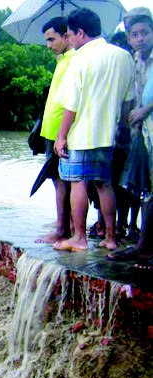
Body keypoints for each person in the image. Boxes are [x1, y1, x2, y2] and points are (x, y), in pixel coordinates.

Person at [53, 8, 135, 252]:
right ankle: (110, 237)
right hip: (109, 134)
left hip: (81, 135)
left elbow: (71, 105)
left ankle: (79, 238)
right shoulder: (123, 57)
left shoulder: (79, 59)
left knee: (78, 183)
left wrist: (61, 136)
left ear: (80, 32)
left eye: (69, 34)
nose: (68, 39)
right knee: (104, 184)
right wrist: (122, 128)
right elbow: (128, 101)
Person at [109, 7, 153, 268]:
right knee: (145, 190)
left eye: (145, 33)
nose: (140, 39)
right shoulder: (134, 60)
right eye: (134, 35)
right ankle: (143, 246)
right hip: (142, 134)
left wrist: (145, 109)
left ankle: (145, 249)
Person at [36, 16, 76, 244]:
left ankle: (62, 230)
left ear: (66, 36)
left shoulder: (73, 61)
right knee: (58, 179)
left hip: (61, 132)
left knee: (61, 180)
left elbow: (71, 101)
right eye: (47, 41)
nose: (49, 45)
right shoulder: (63, 60)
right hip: (53, 131)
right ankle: (64, 225)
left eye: (52, 39)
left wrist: (62, 134)